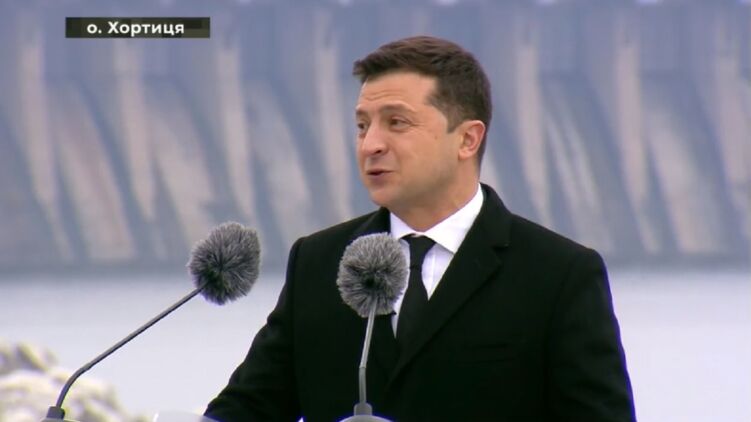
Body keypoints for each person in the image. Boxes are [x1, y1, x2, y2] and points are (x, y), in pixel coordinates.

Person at [205, 35, 635, 422]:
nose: (371, 144)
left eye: (397, 123)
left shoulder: (558, 275)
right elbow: (246, 410)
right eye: (362, 125)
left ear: (467, 139)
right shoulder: (318, 263)